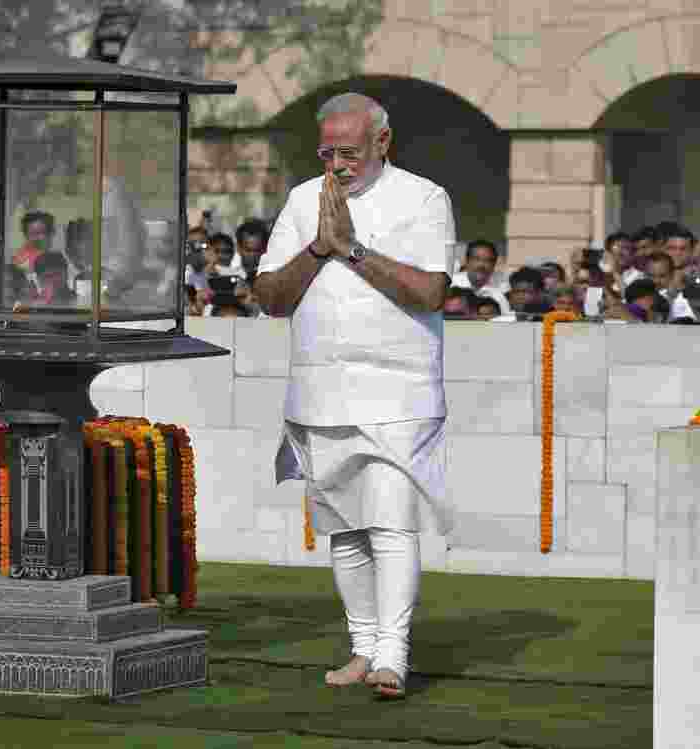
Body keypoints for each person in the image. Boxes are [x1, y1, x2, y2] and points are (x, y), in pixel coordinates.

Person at [253, 92, 453, 700]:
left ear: (382, 144)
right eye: (328, 153)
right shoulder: (299, 200)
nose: (338, 165)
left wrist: (352, 249)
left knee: (390, 521)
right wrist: (319, 245)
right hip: (318, 386)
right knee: (343, 528)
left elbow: (430, 292)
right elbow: (269, 295)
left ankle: (394, 653)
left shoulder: (424, 197)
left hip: (398, 387)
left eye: (350, 152)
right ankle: (363, 648)